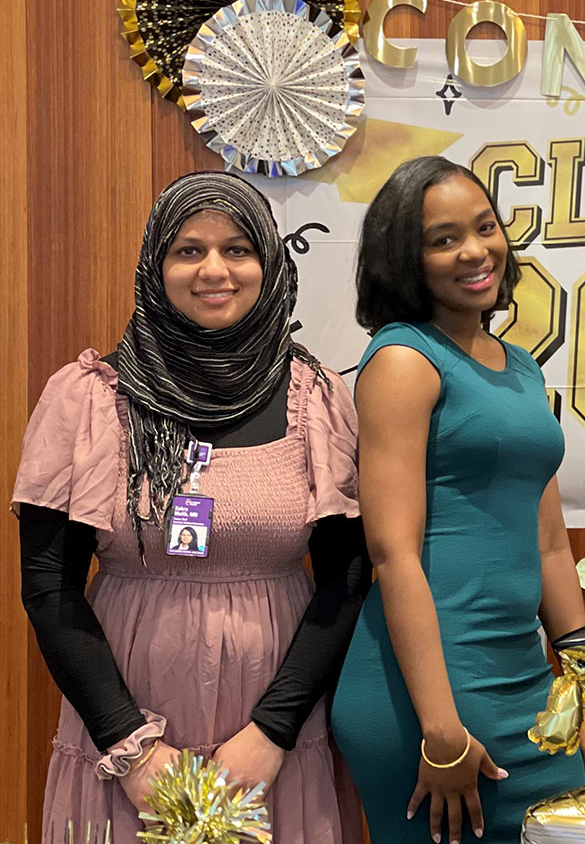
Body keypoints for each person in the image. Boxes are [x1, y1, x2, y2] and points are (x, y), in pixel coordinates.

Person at [12, 171, 372, 843]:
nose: (215, 269)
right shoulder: (88, 397)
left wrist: (273, 732)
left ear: (269, 261)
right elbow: (48, 587)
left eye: (238, 249)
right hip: (125, 719)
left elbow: (347, 579)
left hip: (277, 726)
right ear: (156, 263)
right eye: (189, 250)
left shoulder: (317, 397)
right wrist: (132, 749)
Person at [331, 156, 585, 844]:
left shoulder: (521, 368)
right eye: (443, 238)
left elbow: (551, 545)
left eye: (485, 227)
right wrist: (440, 730)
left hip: (524, 682)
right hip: (427, 693)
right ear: (407, 259)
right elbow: (392, 554)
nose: (475, 251)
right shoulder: (402, 359)